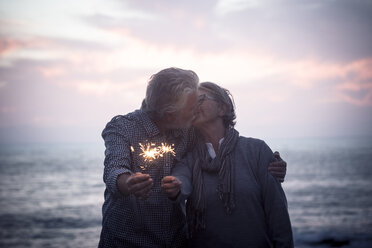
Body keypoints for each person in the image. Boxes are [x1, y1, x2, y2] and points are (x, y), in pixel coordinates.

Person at [98, 68, 287, 248]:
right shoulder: (123, 127)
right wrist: (127, 182)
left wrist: (271, 163)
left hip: (176, 242)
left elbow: (224, 141)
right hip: (128, 242)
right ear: (171, 114)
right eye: (193, 104)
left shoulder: (189, 130)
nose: (197, 107)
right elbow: (115, 167)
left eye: (201, 99)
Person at [162, 82, 293, 247]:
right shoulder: (189, 157)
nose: (194, 105)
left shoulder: (256, 150)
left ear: (222, 108)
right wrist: (174, 186)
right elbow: (181, 181)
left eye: (200, 99)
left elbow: (277, 212)